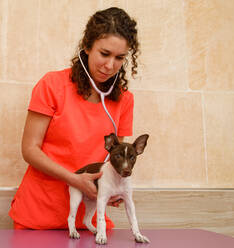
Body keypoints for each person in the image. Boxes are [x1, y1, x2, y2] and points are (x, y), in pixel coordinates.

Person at [9, 7, 139, 230]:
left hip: (90, 221)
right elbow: (30, 149)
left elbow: (115, 155)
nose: (110, 66)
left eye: (120, 58)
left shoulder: (124, 100)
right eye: (104, 54)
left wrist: (115, 188)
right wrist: (74, 179)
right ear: (87, 46)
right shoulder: (52, 85)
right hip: (39, 215)